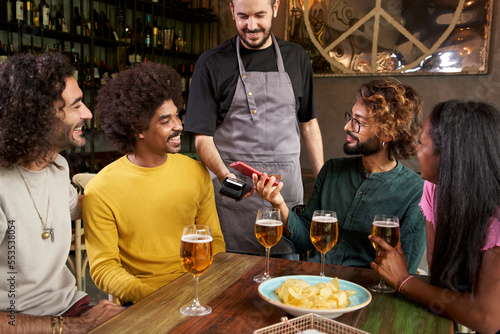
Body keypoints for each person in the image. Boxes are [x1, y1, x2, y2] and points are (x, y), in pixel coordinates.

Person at [184, 0, 324, 258]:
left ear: (276, 7)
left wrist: (323, 182)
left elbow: (309, 124)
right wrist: (227, 178)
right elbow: (202, 138)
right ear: (231, 11)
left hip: (286, 196)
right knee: (230, 279)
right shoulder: (211, 63)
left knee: (285, 275)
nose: (251, 26)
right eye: (242, 16)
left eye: (259, 15)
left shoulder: (296, 57)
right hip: (237, 197)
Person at [82, 62, 226, 305]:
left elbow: (216, 242)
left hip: (197, 290)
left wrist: (201, 288)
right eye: (165, 120)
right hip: (141, 300)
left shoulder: (196, 172)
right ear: (138, 129)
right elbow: (104, 268)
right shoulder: (101, 189)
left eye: (177, 116)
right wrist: (154, 296)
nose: (179, 126)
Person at [0, 53, 124, 333]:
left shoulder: (57, 165)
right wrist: (73, 327)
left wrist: (138, 190)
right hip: (22, 321)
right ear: (39, 115)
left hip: (70, 304)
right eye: (76, 105)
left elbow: (76, 206)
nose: (88, 114)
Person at [254, 78, 426, 273]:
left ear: (387, 134)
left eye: (359, 122)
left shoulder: (415, 191)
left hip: (369, 292)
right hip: (317, 284)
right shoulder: (332, 171)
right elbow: (304, 241)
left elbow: (406, 270)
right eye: (350, 117)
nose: (347, 127)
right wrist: (278, 203)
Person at [370, 100, 500, 333]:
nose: (415, 151)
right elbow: (441, 279)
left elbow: (487, 319)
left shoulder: (496, 217)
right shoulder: (434, 190)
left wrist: (403, 280)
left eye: (421, 143)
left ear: (449, 155)